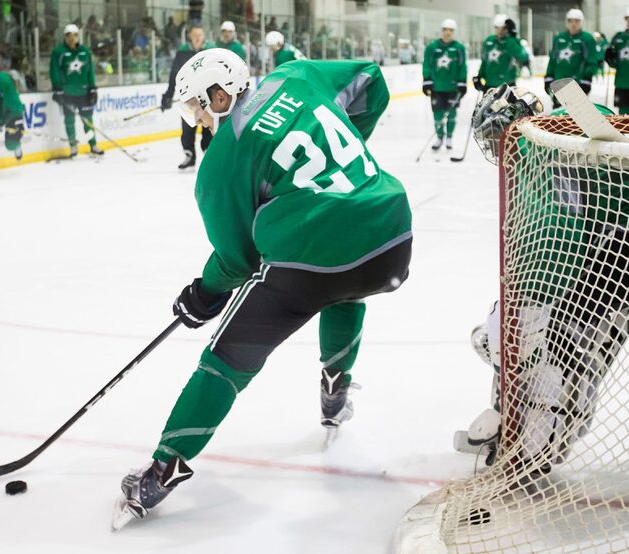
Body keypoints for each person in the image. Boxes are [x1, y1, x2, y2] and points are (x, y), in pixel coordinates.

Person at [111, 48, 412, 531]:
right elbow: (370, 77)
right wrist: (353, 146)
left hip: (310, 261)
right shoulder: (295, 74)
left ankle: (164, 468)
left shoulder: (221, 164)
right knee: (347, 283)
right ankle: (335, 386)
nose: (197, 117)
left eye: (197, 104)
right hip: (391, 239)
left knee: (226, 360)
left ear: (222, 90)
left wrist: (202, 295)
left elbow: (238, 260)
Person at [463, 84, 629, 475]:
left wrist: (518, 309)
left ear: (513, 124)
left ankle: (542, 440)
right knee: (567, 334)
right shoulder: (565, 126)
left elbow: (556, 236)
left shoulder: (538, 146)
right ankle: (543, 436)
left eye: (494, 134)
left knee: (552, 335)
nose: (493, 146)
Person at [160, 25, 214, 169]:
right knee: (188, 127)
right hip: (189, 98)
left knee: (208, 126)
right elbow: (174, 76)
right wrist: (168, 95)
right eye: (195, 35)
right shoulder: (182, 52)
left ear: (204, 36)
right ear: (190, 36)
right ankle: (189, 154)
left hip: (208, 97)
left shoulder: (210, 51)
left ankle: (209, 153)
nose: (197, 38)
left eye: (200, 35)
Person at [50, 24, 103, 157]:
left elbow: (90, 71)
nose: (72, 38)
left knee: (87, 120)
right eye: (69, 36)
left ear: (78, 36)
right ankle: (73, 146)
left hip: (83, 93)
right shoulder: (58, 52)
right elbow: (54, 71)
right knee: (69, 120)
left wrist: (92, 87)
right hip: (67, 92)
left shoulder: (85, 51)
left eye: (74, 35)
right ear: (65, 37)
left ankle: (93, 144)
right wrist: (57, 88)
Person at [422, 19, 467, 151]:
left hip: (453, 88)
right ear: (442, 30)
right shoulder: (432, 47)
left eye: (451, 30)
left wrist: (462, 82)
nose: (448, 32)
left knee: (452, 114)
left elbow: (462, 66)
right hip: (437, 87)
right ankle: (439, 137)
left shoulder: (459, 48)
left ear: (454, 32)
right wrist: (427, 81)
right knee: (437, 114)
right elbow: (426, 64)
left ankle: (449, 138)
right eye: (446, 30)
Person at [544, 9, 597, 108]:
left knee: (576, 116)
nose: (573, 24)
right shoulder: (559, 38)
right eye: (570, 21)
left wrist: (587, 79)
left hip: (577, 84)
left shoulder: (587, 39)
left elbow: (592, 61)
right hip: (558, 83)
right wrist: (548, 77)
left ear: (581, 22)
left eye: (576, 21)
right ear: (566, 22)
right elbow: (553, 60)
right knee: (559, 116)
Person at [474, 14, 528, 93]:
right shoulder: (489, 40)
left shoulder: (511, 42)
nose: (500, 31)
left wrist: (512, 37)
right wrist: (480, 75)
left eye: (503, 28)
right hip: (490, 84)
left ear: (507, 28)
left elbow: (522, 56)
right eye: (497, 28)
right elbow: (485, 61)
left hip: (508, 84)